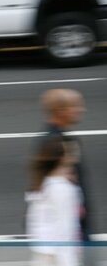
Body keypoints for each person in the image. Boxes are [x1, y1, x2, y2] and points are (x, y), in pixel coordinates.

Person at [35, 89, 91, 238]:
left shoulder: (61, 138)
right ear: (61, 111)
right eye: (76, 106)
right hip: (66, 232)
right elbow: (42, 190)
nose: (81, 110)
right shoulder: (54, 143)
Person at [26, 137, 84, 266]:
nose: (76, 155)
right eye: (72, 151)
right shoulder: (63, 190)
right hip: (57, 263)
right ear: (62, 158)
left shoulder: (43, 182)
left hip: (42, 258)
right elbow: (65, 233)